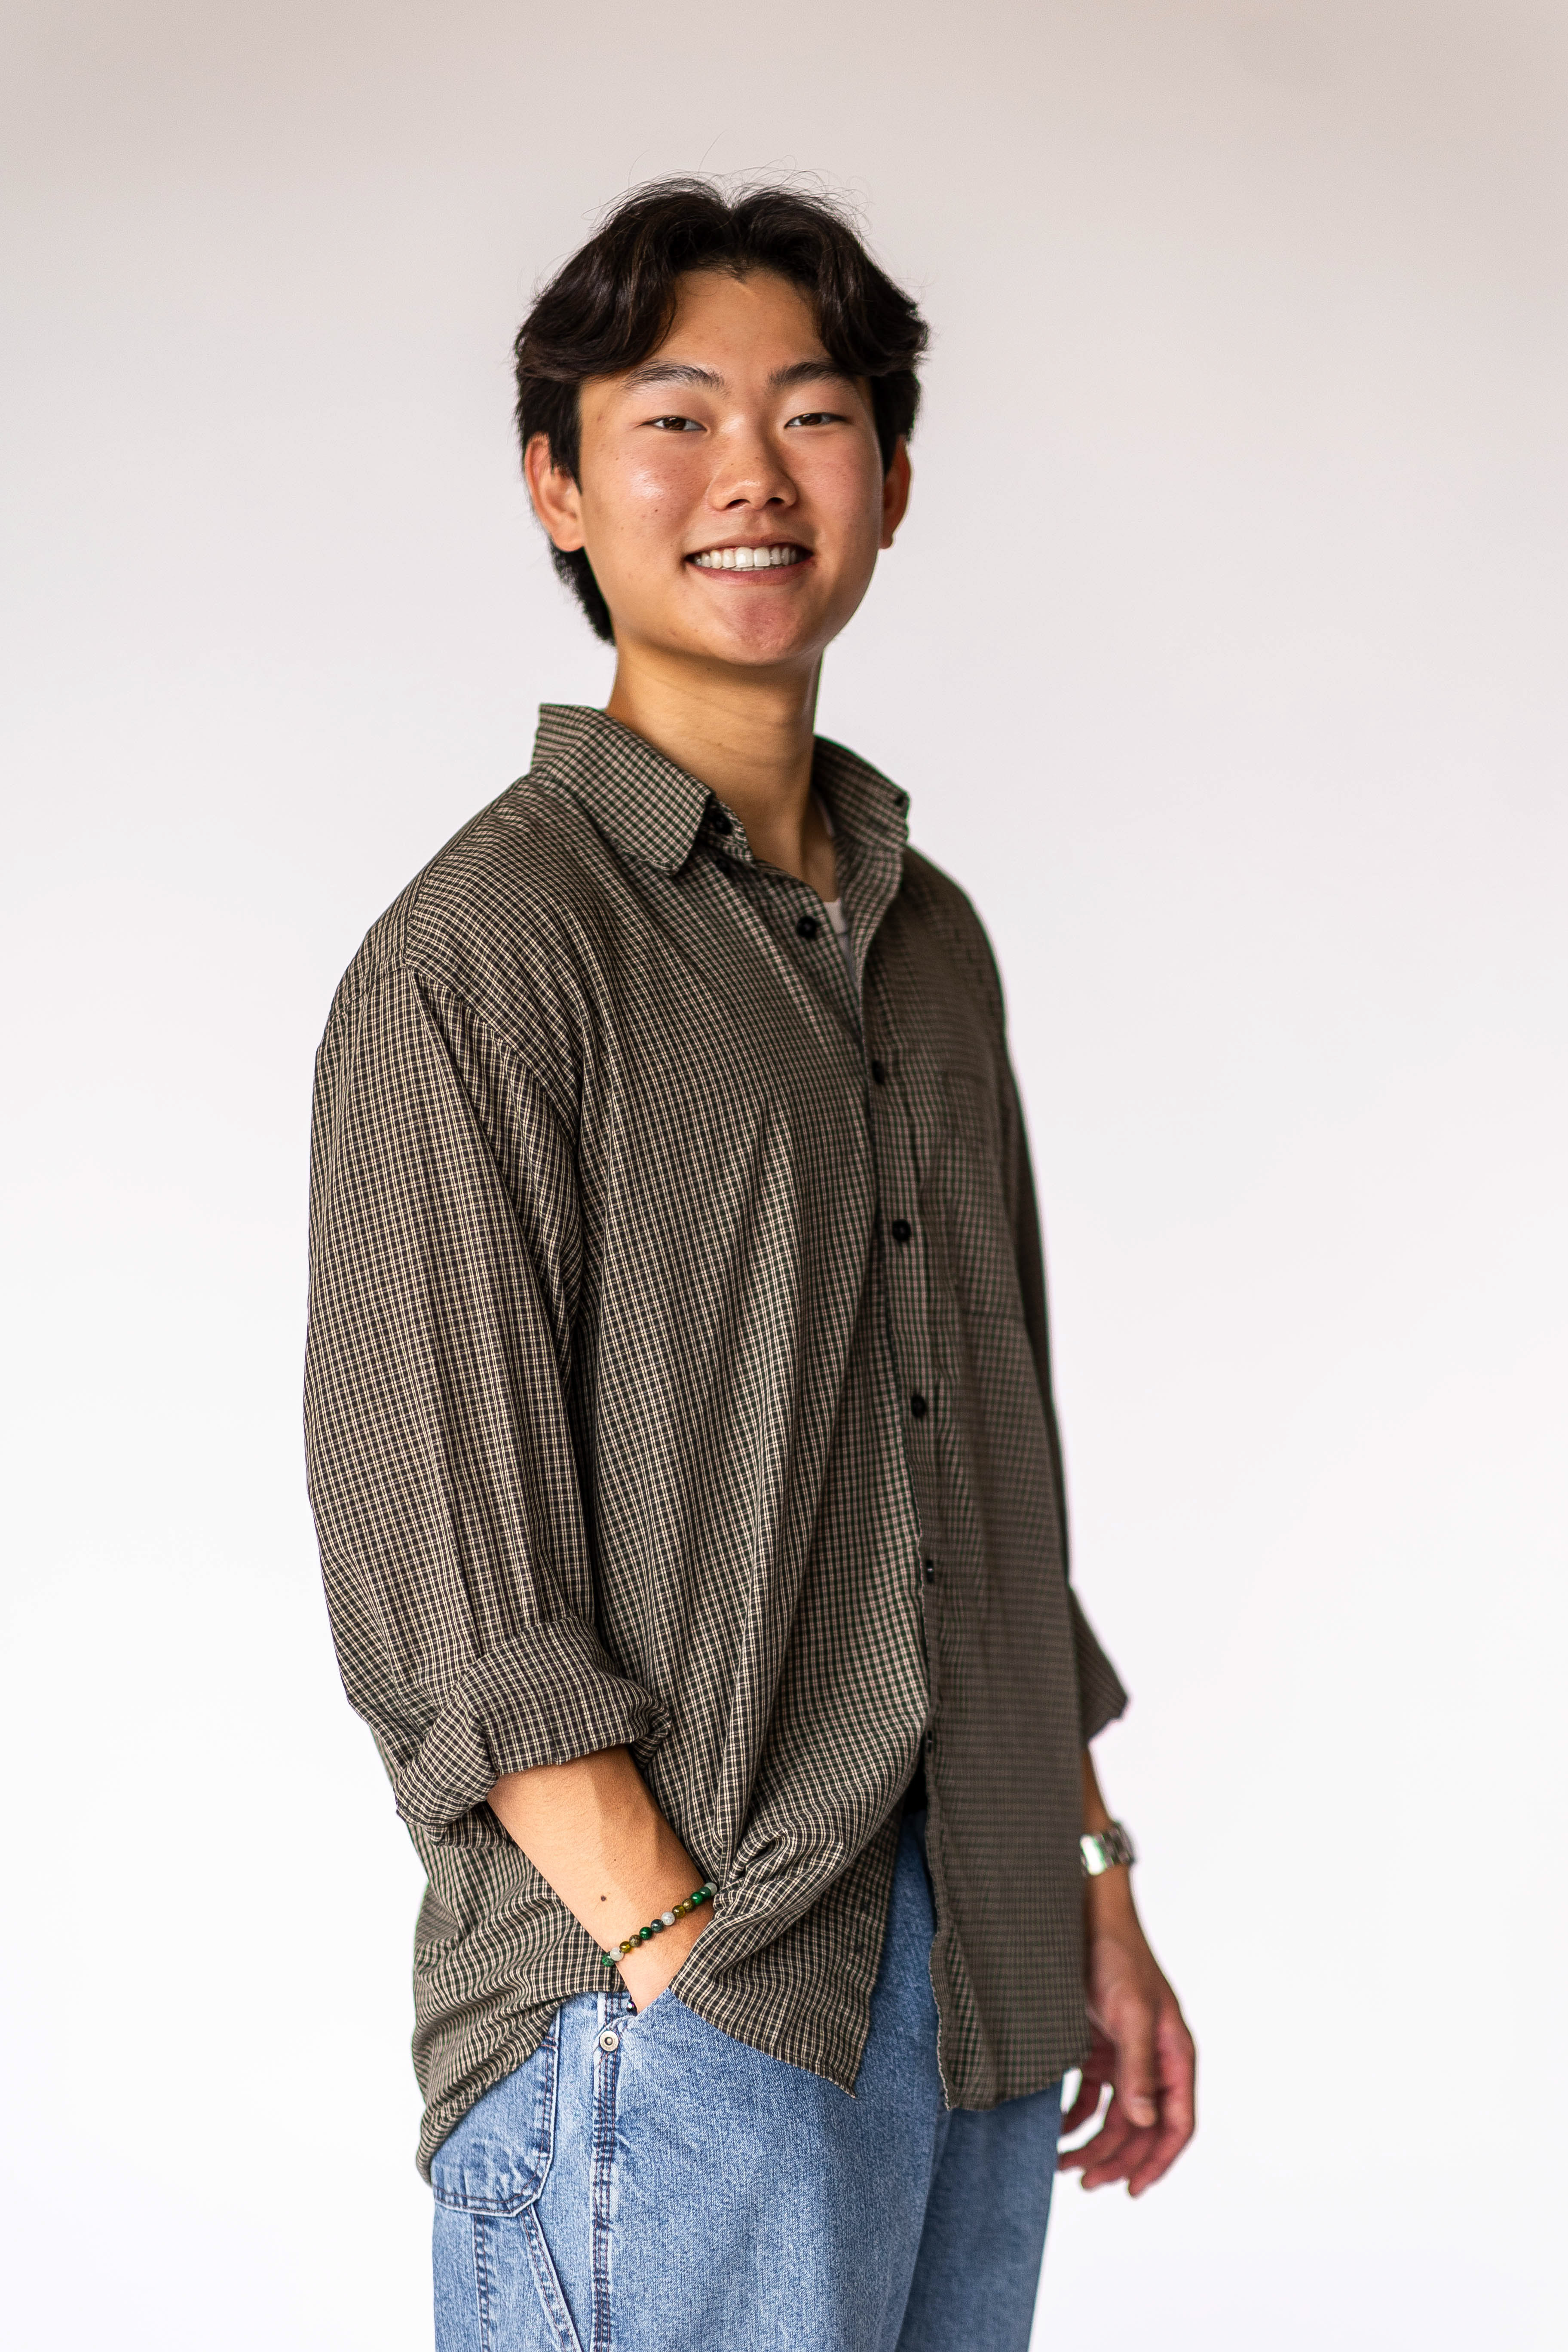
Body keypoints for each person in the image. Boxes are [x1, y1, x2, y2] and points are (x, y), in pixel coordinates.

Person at [304, 178, 1195, 2352]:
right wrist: (674, 1957)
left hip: (980, 1978)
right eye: (675, 418)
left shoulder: (932, 944)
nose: (752, 479)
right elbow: (445, 1550)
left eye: (812, 416)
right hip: (687, 2004)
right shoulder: (487, 956)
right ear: (558, 485)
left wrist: (1092, 1881)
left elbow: (985, 1474)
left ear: (892, 479)